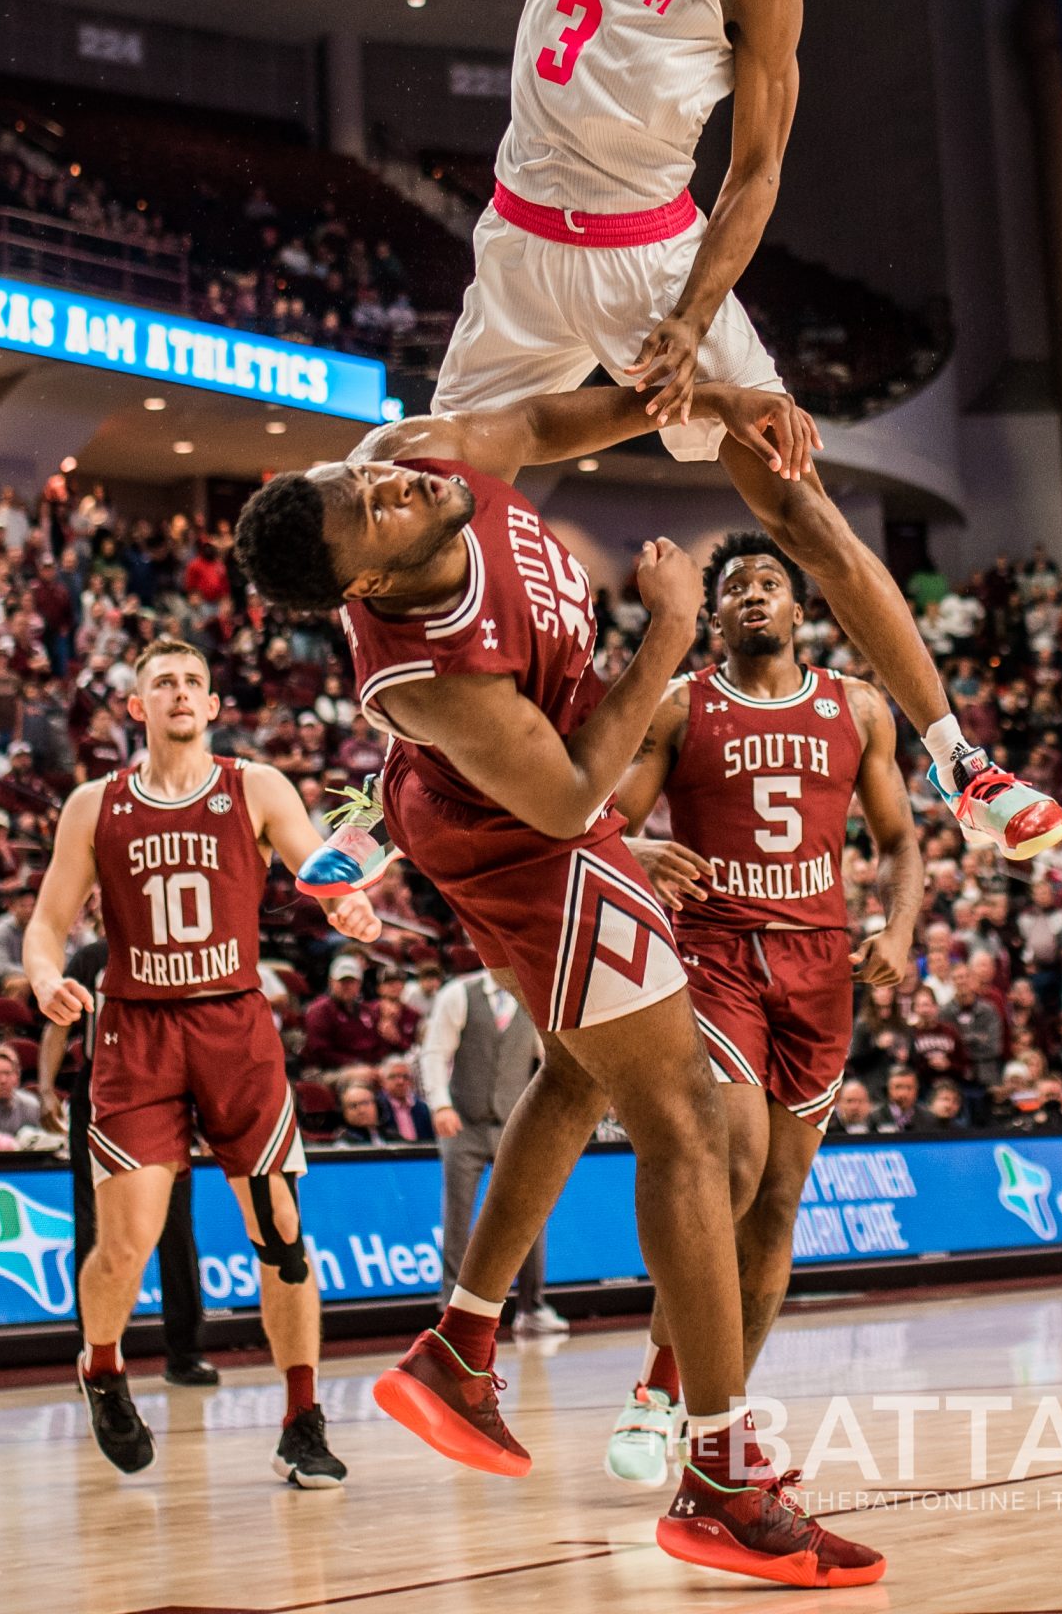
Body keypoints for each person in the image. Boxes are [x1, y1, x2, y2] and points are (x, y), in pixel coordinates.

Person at [419, 0, 1062, 873]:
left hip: (655, 260)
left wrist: (690, 317)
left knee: (793, 497)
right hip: (516, 247)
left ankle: (961, 760)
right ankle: (397, 791)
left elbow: (757, 172)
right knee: (430, 508)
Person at [236, 377, 884, 1586]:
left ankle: (460, 1347)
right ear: (367, 581)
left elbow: (535, 427)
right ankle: (716, 1476)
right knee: (685, 1119)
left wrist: (692, 395)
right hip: (525, 843)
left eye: (360, 475)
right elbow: (569, 796)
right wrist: (670, 637)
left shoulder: (413, 456)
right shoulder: (422, 672)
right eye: (365, 509)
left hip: (534, 808)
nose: (384, 482)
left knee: (580, 1077)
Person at [602, 530, 923, 1480]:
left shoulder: (858, 708)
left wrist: (898, 930)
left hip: (822, 965)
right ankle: (661, 1391)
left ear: (798, 608)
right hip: (717, 956)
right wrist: (643, 853)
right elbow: (600, 820)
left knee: (778, 1206)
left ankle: (721, 1425)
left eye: (768, 581)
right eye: (734, 584)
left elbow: (902, 841)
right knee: (732, 1167)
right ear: (714, 614)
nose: (750, 594)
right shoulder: (678, 706)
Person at [25, 637, 383, 1490]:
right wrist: (43, 977)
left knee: (284, 1239)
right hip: (136, 1032)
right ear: (136, 706)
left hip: (234, 1027)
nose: (181, 692)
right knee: (126, 1246)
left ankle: (302, 1419)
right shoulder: (92, 804)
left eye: (193, 681)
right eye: (163, 683)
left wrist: (351, 902)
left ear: (214, 704)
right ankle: (103, 1367)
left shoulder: (255, 786)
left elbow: (318, 865)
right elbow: (48, 922)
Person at [36, 932, 218, 1391]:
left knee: (175, 1224)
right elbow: (58, 1026)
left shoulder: (177, 956)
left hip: (166, 1091)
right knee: (93, 1225)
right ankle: (96, 1354)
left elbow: (200, 1033)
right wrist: (44, 1087)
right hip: (98, 1094)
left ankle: (184, 1351)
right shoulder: (91, 959)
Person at [420, 967, 557, 1330]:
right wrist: (440, 1104)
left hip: (516, 1124)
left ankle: (532, 1307)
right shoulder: (458, 994)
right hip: (463, 1124)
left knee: (529, 1211)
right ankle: (451, 1310)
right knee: (458, 1215)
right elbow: (434, 1053)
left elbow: (552, 1059)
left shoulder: (534, 998)